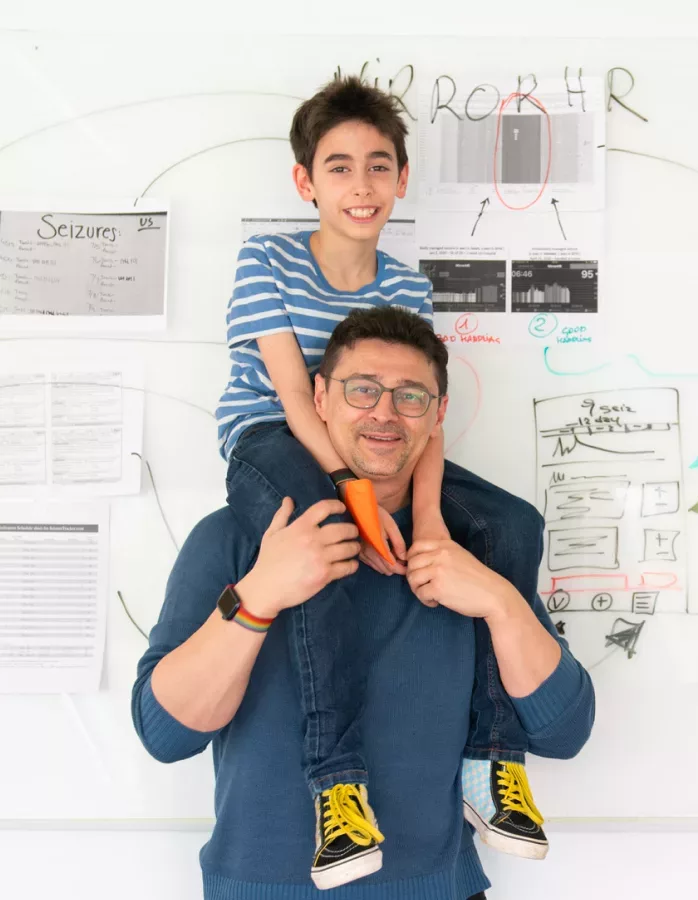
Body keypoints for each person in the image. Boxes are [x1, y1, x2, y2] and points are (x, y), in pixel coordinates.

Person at [209, 74, 564, 888]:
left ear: (402, 179)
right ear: (306, 183)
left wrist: (431, 518)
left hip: (376, 450)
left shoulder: (406, 286)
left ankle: (490, 758)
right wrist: (352, 492)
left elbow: (423, 412)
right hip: (272, 435)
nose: (360, 186)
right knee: (328, 548)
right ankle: (338, 781)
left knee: (510, 525)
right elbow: (298, 395)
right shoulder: (264, 259)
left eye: (378, 166)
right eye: (338, 167)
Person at [132, 305, 595, 900]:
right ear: (318, 398)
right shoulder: (234, 538)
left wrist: (503, 604)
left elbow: (564, 732)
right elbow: (165, 735)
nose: (384, 412)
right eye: (362, 390)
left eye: (410, 396)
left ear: (438, 414)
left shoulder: (476, 542)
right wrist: (258, 596)